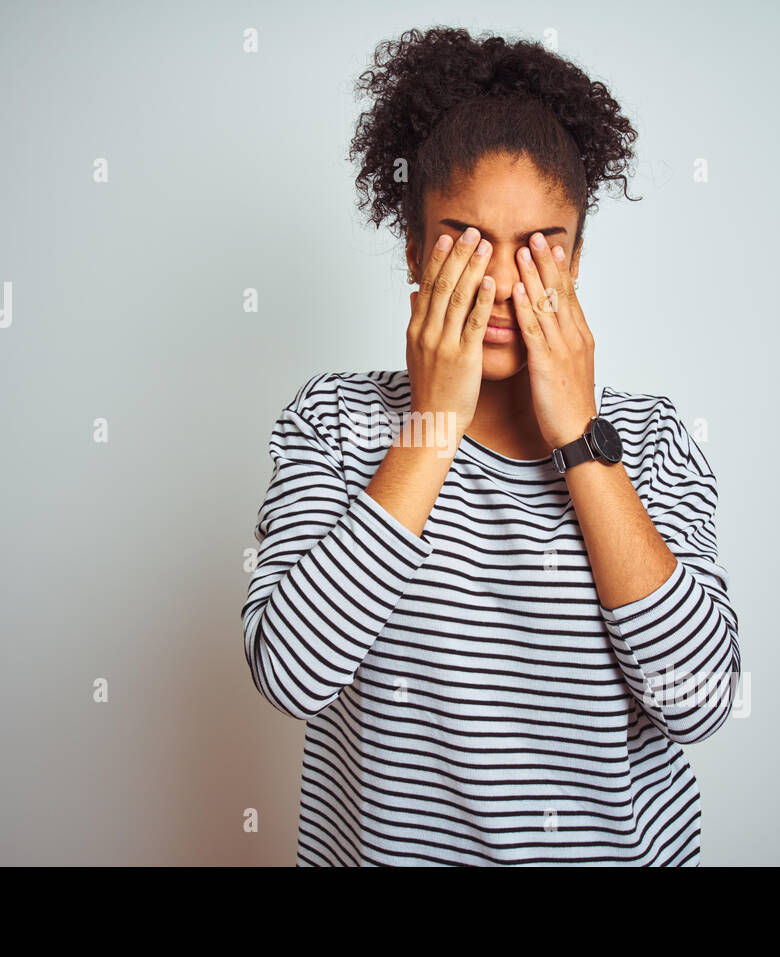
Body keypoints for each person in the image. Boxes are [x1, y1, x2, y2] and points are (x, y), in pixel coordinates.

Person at [241, 26, 741, 866]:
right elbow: (289, 673)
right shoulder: (334, 423)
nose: (505, 284)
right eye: (468, 241)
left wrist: (581, 438)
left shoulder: (650, 441)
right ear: (411, 250)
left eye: (540, 247)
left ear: (576, 261)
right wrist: (434, 422)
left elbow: (697, 701)